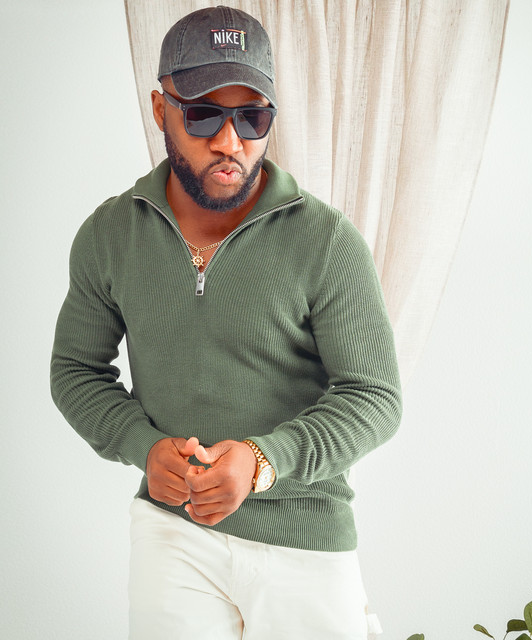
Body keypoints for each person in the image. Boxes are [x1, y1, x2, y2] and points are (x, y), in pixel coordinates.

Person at [51, 6, 401, 639]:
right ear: (161, 109)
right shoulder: (110, 236)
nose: (230, 142)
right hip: (173, 532)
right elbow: (76, 370)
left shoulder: (327, 241)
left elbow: (375, 396)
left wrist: (263, 460)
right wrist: (142, 445)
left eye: (252, 116)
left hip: (303, 537)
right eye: (204, 114)